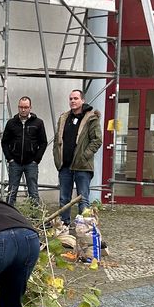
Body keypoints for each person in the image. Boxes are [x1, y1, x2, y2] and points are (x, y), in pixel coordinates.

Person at [53, 89, 102, 226]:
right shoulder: (64, 118)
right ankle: (64, 226)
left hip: (82, 166)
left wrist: (84, 155)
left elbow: (97, 140)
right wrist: (57, 157)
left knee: (83, 199)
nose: (73, 101)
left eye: (75, 98)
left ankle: (84, 227)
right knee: (64, 199)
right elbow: (57, 139)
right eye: (71, 99)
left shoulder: (91, 118)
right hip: (65, 166)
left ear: (82, 100)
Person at [1, 96, 47, 206]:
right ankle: (9, 214)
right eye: (21, 107)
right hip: (15, 163)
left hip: (31, 163)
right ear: (18, 107)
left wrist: (37, 159)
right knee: (12, 192)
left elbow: (43, 142)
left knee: (33, 191)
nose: (23, 109)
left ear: (30, 107)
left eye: (26, 107)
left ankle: (35, 216)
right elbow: (4, 142)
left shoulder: (38, 123)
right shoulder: (11, 123)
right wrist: (10, 159)